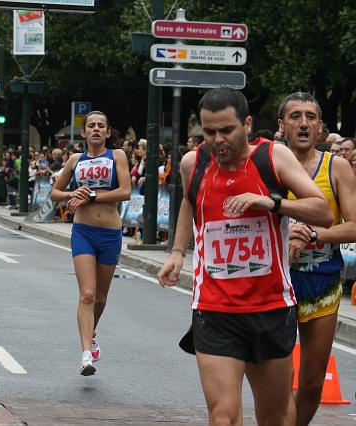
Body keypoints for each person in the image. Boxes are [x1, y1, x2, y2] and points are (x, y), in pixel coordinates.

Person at [157, 88, 332, 425]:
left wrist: (273, 202)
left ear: (247, 124)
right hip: (215, 309)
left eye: (226, 130)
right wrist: (178, 252)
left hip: (270, 308)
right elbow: (190, 202)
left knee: (275, 417)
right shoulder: (193, 163)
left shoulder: (273, 158)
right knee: (222, 416)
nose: (217, 140)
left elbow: (322, 210)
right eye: (209, 132)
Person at [278, 92, 356, 426]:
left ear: (321, 127)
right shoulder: (267, 166)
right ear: (282, 126)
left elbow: (354, 226)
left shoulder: (336, 167)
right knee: (278, 380)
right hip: (276, 283)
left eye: (311, 116)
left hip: (322, 281)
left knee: (311, 384)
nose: (304, 123)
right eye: (295, 116)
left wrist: (313, 234)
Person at [49, 110, 131, 376]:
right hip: (83, 232)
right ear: (83, 133)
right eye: (91, 126)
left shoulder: (117, 156)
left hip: (109, 233)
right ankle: (86, 355)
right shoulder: (75, 159)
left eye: (101, 126)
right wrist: (73, 192)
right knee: (87, 294)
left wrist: (91, 196)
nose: (96, 129)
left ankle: (91, 332)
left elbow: (125, 191)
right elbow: (54, 193)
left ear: (108, 133)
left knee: (101, 297)